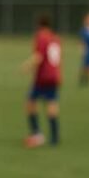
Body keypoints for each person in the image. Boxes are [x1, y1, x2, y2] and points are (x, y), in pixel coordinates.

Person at [22, 14, 62, 148]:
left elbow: (38, 57)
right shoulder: (55, 38)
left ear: (39, 26)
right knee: (51, 103)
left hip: (43, 77)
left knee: (30, 102)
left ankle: (36, 133)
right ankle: (54, 137)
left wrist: (27, 66)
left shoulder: (41, 37)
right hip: (55, 76)